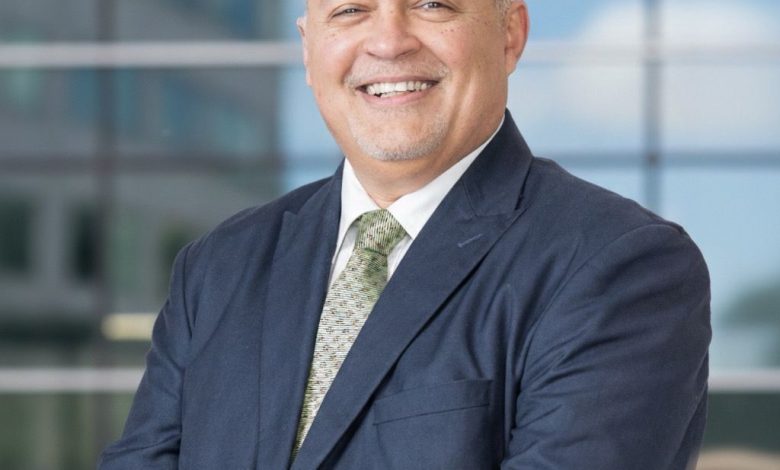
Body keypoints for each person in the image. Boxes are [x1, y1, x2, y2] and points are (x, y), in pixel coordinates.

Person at [99, 0, 711, 468]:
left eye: (432, 4)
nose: (388, 41)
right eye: (351, 10)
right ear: (309, 51)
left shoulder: (621, 267)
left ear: (510, 34)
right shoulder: (219, 266)